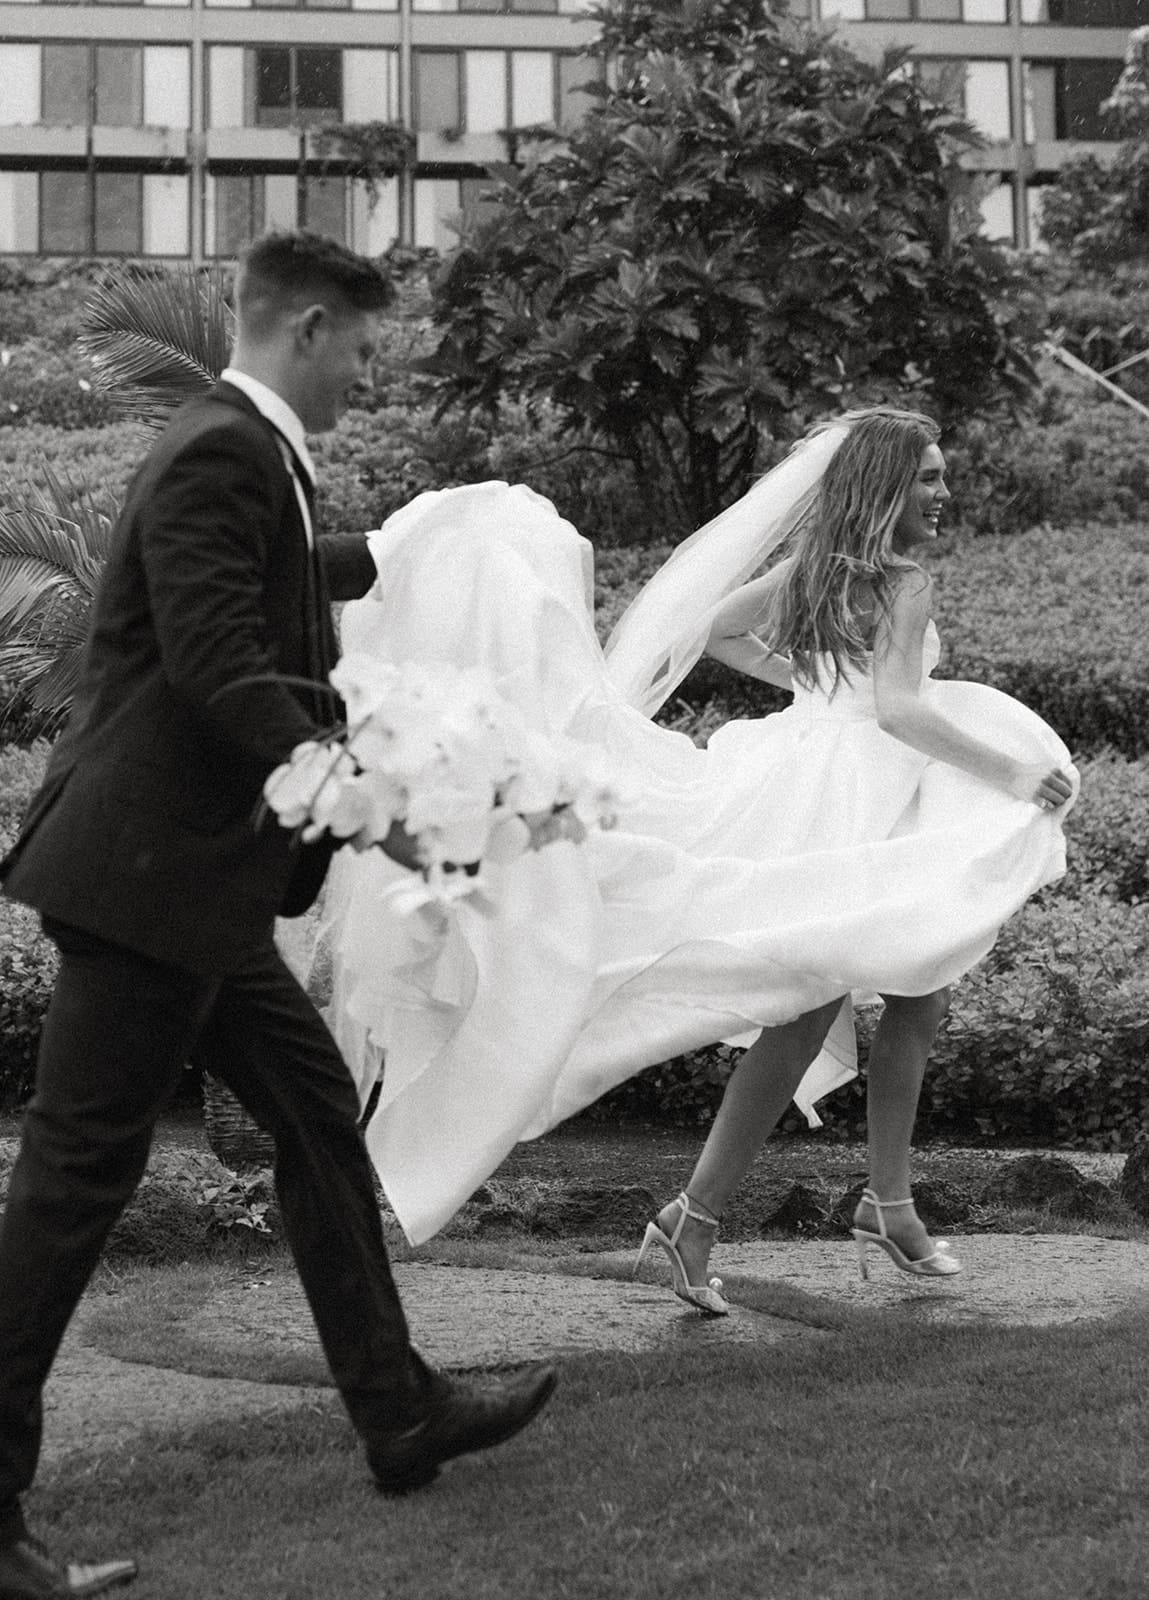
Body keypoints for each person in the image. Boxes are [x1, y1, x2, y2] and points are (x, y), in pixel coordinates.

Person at [0, 231, 555, 1600]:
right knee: (72, 1189)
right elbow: (215, 665)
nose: (367, 375)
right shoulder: (220, 452)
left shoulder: (251, 455)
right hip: (147, 885)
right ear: (307, 328)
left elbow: (276, 584)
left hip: (193, 887)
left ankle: (399, 1412)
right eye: (362, 349)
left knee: (312, 1117)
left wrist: (419, 548)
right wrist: (372, 799)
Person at [306, 410, 1076, 1285]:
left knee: (913, 991)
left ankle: (879, 1203)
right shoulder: (902, 584)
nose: (944, 492)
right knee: (805, 1003)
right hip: (856, 792)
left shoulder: (817, 567)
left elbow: (719, 632)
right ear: (885, 487)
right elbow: (899, 711)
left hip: (807, 773)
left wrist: (819, 687)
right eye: (928, 477)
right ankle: (702, 1216)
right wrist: (1011, 771)